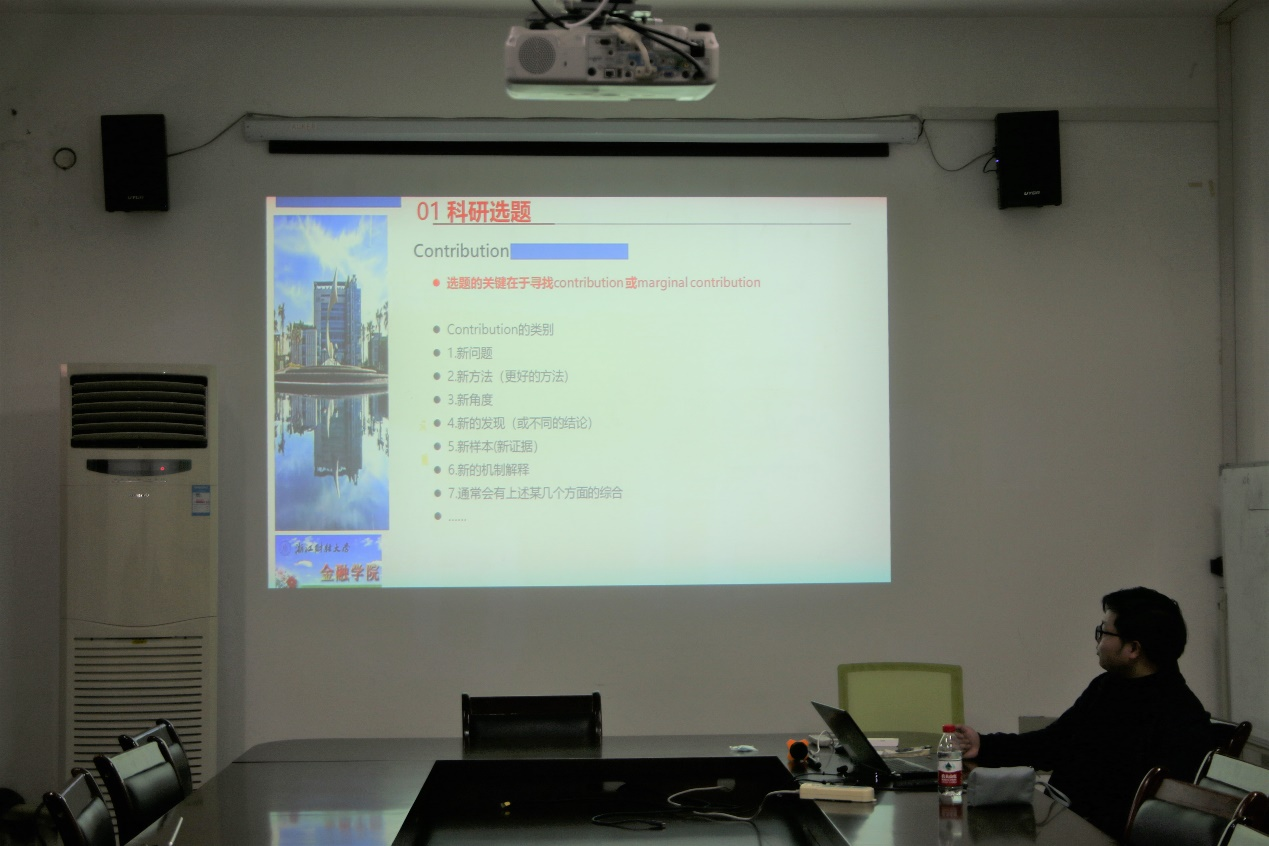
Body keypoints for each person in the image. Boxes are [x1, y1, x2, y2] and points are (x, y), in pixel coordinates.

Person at [953, 587, 1214, 838]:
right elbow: (1053, 743)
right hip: (1062, 825)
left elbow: (1146, 815)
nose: (1098, 641)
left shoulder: (1180, 717)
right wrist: (984, 745)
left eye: (1104, 632)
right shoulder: (1108, 686)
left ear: (1133, 649)